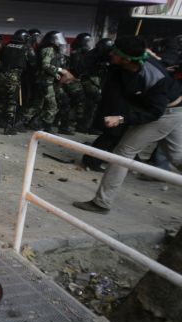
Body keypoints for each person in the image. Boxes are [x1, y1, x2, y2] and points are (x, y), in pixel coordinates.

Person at [73, 36, 182, 214]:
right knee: (177, 157)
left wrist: (122, 119)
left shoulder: (154, 77)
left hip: (167, 113)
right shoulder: (127, 58)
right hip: (174, 108)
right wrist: (73, 72)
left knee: (123, 153)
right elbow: (100, 53)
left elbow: (154, 113)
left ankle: (101, 203)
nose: (111, 55)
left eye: (115, 53)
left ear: (127, 59)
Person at [21, 31, 75, 132]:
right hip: (45, 82)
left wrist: (56, 74)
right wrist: (59, 70)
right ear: (52, 40)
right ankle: (47, 126)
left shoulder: (53, 50)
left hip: (47, 81)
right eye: (57, 39)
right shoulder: (49, 50)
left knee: (38, 104)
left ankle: (23, 122)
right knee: (51, 105)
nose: (59, 42)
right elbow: (45, 65)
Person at [0, 29, 33, 135]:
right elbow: (32, 62)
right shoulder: (26, 48)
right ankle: (8, 126)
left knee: (3, 100)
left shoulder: (7, 45)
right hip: (14, 76)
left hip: (2, 75)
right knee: (12, 101)